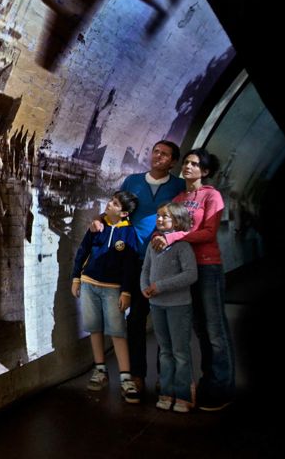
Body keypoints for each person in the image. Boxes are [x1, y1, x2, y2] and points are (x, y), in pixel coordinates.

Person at [92, 140, 185, 395]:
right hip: (134, 259)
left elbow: (184, 220)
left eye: (165, 154)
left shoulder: (179, 186)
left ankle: (165, 377)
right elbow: (118, 210)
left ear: (173, 162)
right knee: (135, 319)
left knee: (164, 320)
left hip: (165, 260)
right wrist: (100, 221)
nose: (158, 156)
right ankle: (137, 375)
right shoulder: (133, 181)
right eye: (156, 151)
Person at [150, 148, 235, 411]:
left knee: (214, 330)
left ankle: (220, 387)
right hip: (181, 269)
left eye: (194, 164)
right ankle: (190, 384)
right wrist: (159, 237)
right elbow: (166, 226)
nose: (187, 166)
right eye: (186, 162)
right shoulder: (178, 198)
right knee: (197, 327)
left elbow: (208, 232)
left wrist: (174, 237)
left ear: (205, 171)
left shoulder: (212, 195)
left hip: (207, 267)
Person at [72, 190, 141, 403]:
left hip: (113, 288)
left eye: (115, 204)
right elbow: (83, 251)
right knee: (94, 328)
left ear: (124, 213)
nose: (110, 204)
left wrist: (126, 291)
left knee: (117, 331)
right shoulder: (97, 226)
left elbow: (130, 265)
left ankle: (126, 377)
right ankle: (100, 369)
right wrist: (76, 278)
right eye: (111, 201)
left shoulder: (129, 233)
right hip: (90, 284)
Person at [141, 202, 197, 413]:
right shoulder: (152, 244)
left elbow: (190, 274)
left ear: (178, 220)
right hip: (157, 305)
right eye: (158, 215)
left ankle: (183, 395)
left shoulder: (182, 246)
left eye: (165, 216)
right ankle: (166, 391)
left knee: (180, 351)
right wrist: (144, 288)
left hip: (178, 305)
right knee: (164, 350)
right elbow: (145, 269)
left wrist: (161, 286)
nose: (160, 219)